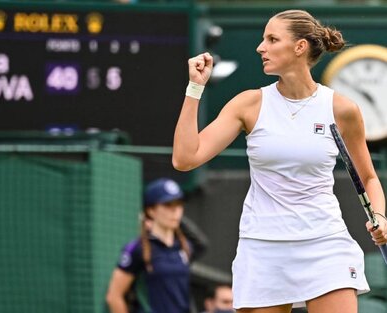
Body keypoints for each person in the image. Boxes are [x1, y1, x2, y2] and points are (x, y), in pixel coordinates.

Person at [172, 9, 387, 313]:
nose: (261, 47)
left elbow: (369, 179)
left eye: (272, 39)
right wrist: (195, 87)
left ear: (299, 47)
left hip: (325, 244)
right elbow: (184, 158)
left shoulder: (341, 109)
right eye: (263, 39)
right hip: (263, 247)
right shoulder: (248, 104)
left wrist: (380, 215)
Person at [105, 178, 208, 313]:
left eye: (179, 205)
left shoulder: (185, 246)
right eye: (168, 205)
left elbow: (202, 244)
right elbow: (114, 296)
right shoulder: (137, 249)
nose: (175, 211)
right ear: (151, 210)